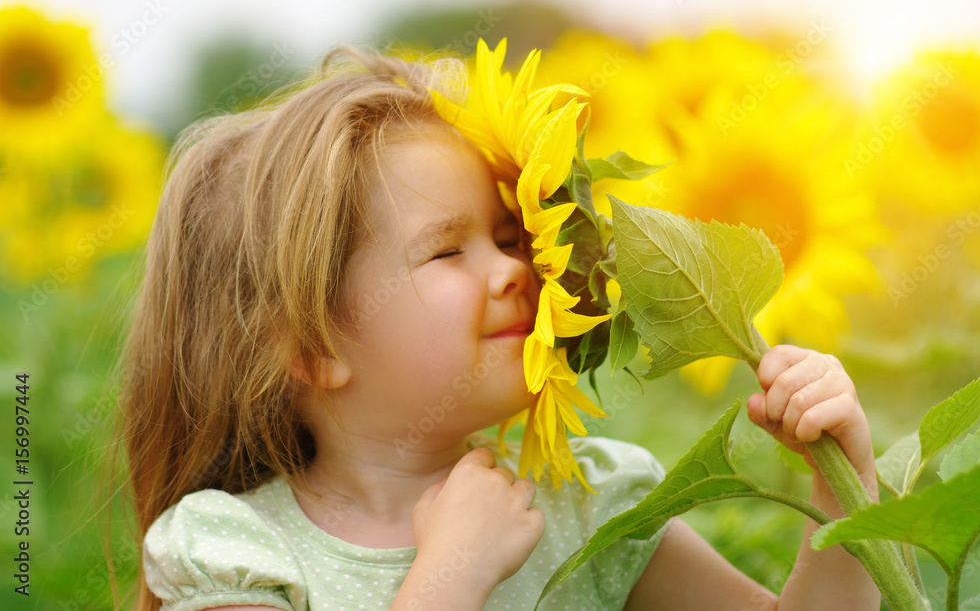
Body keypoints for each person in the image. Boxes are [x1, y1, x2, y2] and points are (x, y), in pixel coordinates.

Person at [116, 44, 881, 611]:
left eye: (511, 238)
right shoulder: (237, 553)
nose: (516, 270)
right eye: (449, 249)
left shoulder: (589, 505)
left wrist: (843, 492)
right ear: (313, 347)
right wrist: (453, 573)